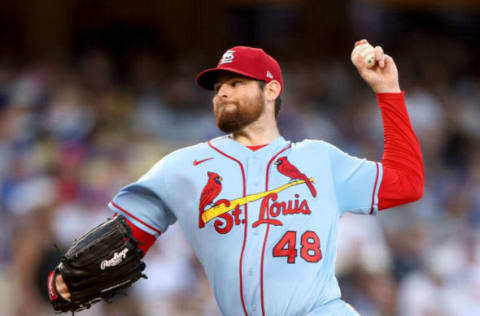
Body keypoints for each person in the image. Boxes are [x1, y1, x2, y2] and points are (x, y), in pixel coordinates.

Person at [51, 40, 424, 315]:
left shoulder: (320, 159)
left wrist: (387, 91)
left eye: (236, 83)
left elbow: (407, 182)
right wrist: (70, 279)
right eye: (217, 88)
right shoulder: (183, 168)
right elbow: (125, 238)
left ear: (272, 90)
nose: (222, 92)